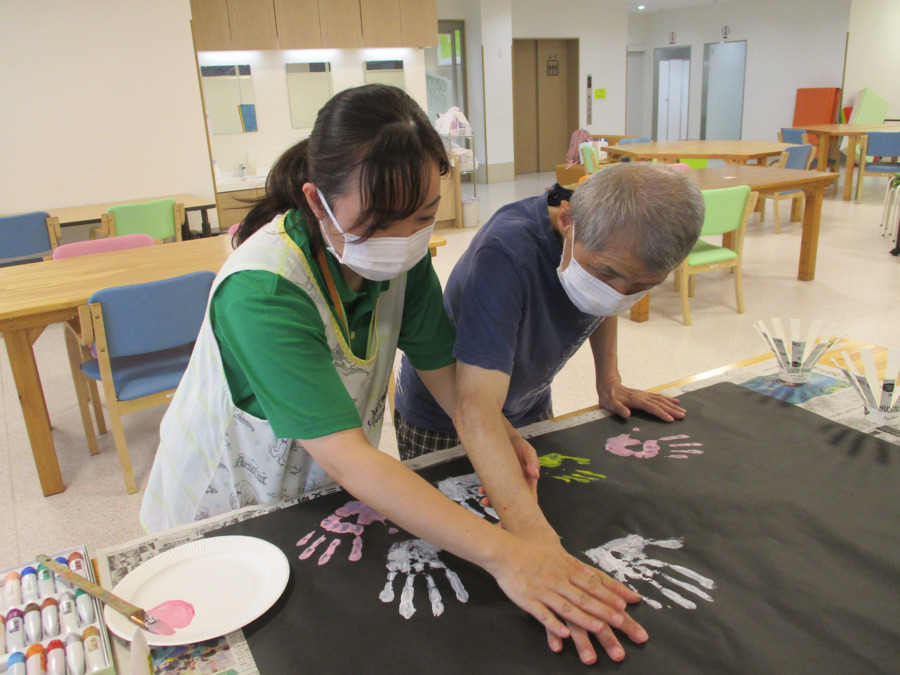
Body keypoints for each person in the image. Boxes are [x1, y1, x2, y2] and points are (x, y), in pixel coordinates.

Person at [140, 85, 648, 665]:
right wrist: (510, 556)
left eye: (426, 216)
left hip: (314, 486)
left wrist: (507, 456)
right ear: (317, 198)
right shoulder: (263, 290)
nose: (404, 238)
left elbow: (454, 388)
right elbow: (353, 457)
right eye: (380, 221)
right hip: (224, 503)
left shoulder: (401, 261)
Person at [393, 163, 705, 602]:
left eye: (641, 286)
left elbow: (604, 303)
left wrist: (609, 380)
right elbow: (474, 408)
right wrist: (540, 548)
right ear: (566, 221)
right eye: (607, 274)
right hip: (445, 418)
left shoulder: (603, 247)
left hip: (527, 399)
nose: (618, 291)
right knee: (460, 553)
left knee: (548, 506)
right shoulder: (506, 254)